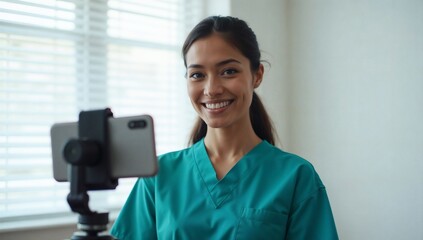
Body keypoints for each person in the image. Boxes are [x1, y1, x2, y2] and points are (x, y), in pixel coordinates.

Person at [110, 16, 338, 239]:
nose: (211, 89)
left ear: (257, 75)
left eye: (228, 71)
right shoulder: (158, 176)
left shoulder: (296, 177)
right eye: (197, 75)